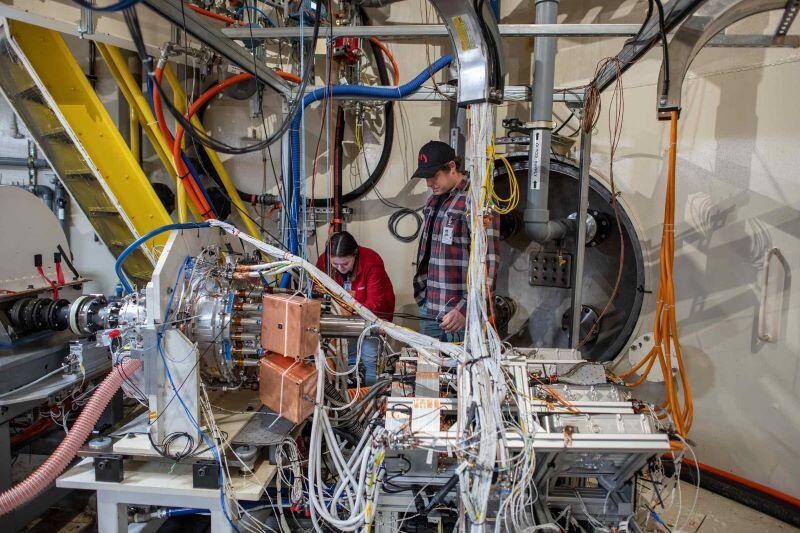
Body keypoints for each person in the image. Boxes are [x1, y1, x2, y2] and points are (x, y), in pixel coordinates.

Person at [412, 140, 500, 342]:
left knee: (461, 363)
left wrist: (466, 308)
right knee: (427, 362)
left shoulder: (477, 199)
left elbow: (489, 261)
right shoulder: (433, 200)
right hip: (429, 306)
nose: (429, 183)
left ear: (451, 167)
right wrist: (423, 295)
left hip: (459, 315)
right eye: (426, 177)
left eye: (434, 175)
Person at [316, 231, 395, 384]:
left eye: (345, 264)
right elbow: (317, 291)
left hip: (372, 318)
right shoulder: (324, 260)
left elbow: (375, 303)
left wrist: (347, 304)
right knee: (346, 358)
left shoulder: (371, 261)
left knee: (369, 360)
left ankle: (369, 393)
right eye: (335, 264)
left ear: (355, 254)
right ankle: (351, 393)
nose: (340, 268)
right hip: (342, 319)